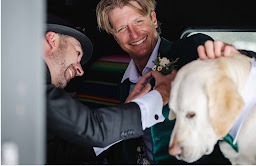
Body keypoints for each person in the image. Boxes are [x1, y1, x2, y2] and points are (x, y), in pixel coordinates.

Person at [96, 0, 256, 164]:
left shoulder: (190, 50)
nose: (134, 34)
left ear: (153, 19)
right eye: (122, 29)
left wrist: (238, 60)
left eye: (138, 21)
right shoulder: (122, 82)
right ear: (114, 36)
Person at [43, 14, 177, 164]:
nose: (80, 71)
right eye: (78, 53)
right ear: (52, 40)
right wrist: (161, 94)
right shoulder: (30, 81)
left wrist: (128, 110)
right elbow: (92, 128)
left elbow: (58, 155)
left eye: (138, 21)